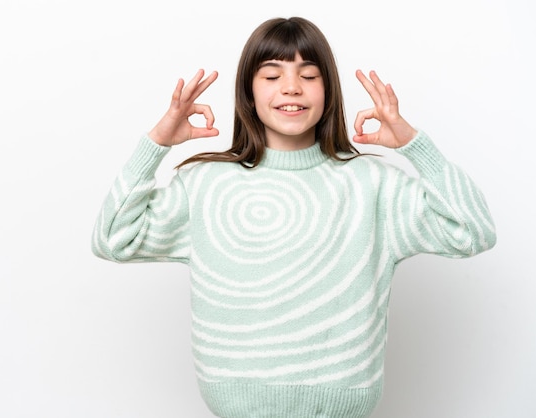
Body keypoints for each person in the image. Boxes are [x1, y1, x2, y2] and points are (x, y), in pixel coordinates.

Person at [91, 16, 496, 418]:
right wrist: (156, 143)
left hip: (343, 405)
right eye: (271, 75)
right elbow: (112, 239)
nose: (291, 87)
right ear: (248, 92)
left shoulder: (373, 184)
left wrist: (413, 145)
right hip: (234, 406)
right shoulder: (205, 184)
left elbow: (473, 232)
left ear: (329, 91)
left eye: (309, 75)